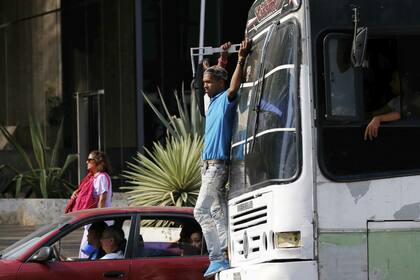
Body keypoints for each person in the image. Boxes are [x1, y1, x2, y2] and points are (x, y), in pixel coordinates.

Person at [194, 38, 252, 278]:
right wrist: (223, 60)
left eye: (209, 82)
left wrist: (240, 59)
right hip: (207, 166)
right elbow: (221, 76)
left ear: (219, 83)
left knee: (200, 211)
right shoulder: (212, 102)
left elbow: (233, 86)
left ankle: (216, 257)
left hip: (217, 165)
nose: (205, 86)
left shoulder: (227, 100)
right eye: (204, 82)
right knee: (217, 212)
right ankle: (226, 251)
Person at [65, 150, 113, 258]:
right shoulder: (91, 178)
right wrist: (75, 195)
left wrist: (97, 221)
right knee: (85, 253)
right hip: (92, 222)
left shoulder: (101, 177)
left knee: (88, 255)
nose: (86, 162)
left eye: (89, 160)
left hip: (98, 223)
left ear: (98, 162)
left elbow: (102, 199)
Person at [364, 70, 401, 140]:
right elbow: (376, 112)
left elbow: (400, 114)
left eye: (394, 80)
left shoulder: (415, 99)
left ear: (404, 81)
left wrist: (378, 118)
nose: (391, 84)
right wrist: (358, 115)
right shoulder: (395, 101)